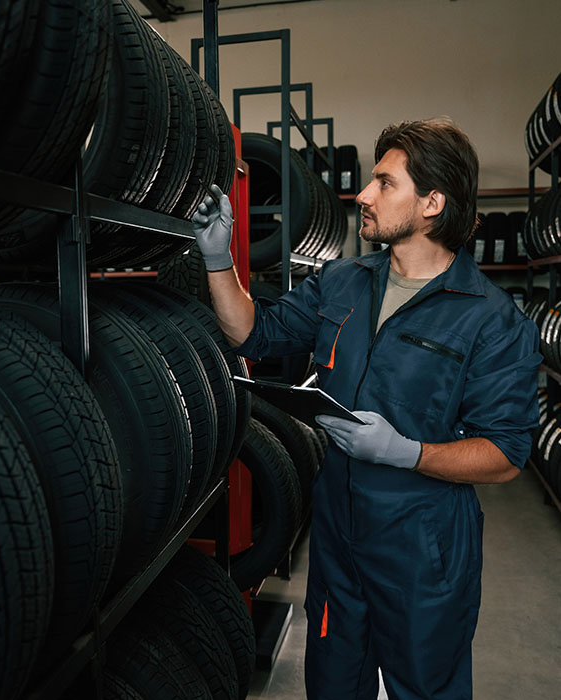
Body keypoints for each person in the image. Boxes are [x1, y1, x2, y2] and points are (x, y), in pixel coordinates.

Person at [191, 118, 541, 700]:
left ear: (433, 203)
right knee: (334, 682)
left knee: (423, 688)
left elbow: (505, 454)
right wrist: (216, 260)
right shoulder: (343, 281)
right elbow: (253, 333)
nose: (363, 195)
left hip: (423, 549)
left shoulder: (492, 320)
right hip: (338, 534)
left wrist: (407, 453)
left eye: (385, 183)